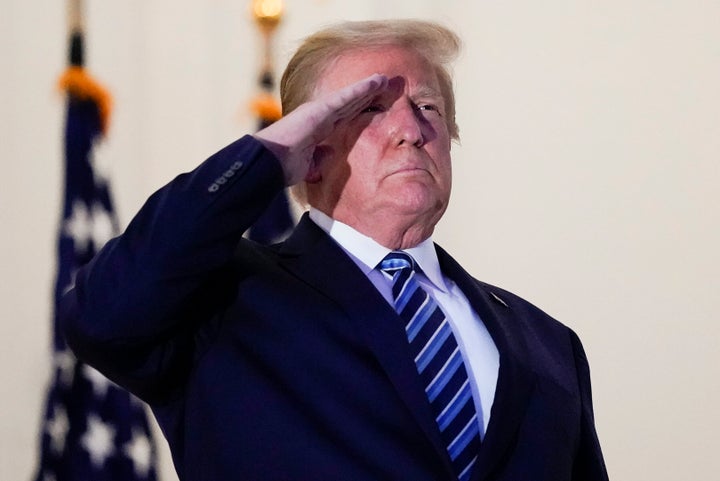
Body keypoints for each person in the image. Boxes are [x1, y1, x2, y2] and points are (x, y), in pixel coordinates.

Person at [61, 19, 609, 481]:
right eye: (370, 108)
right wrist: (263, 160)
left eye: (428, 108)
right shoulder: (222, 303)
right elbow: (102, 317)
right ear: (308, 147)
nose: (411, 130)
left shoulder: (548, 343)